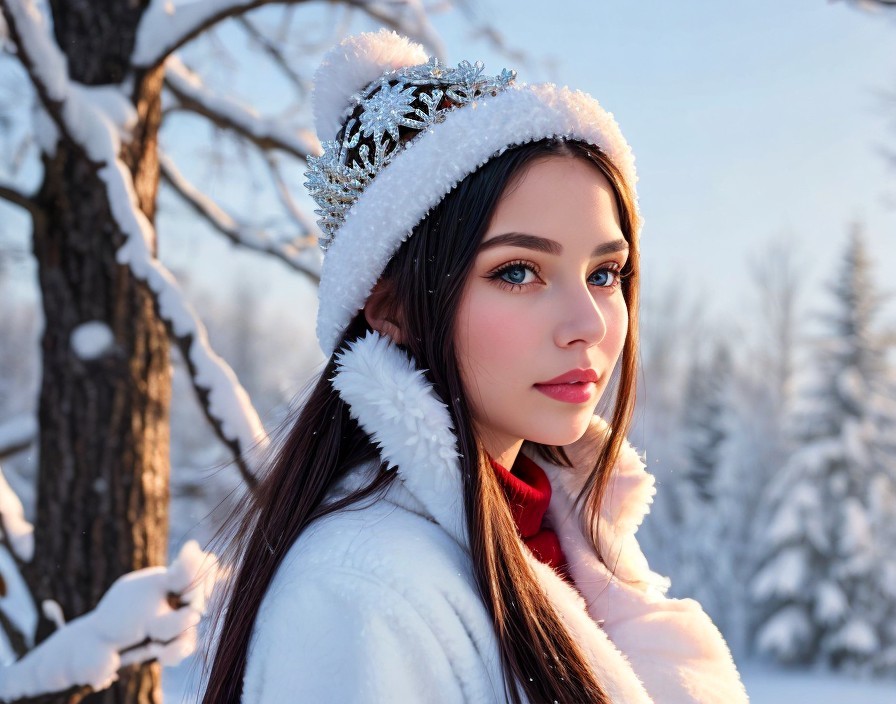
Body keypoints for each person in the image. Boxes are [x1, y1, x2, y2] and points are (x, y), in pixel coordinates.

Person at [201, 30, 750, 703]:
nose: (588, 324)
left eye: (605, 273)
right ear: (390, 307)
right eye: (518, 272)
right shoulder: (359, 595)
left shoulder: (569, 545)